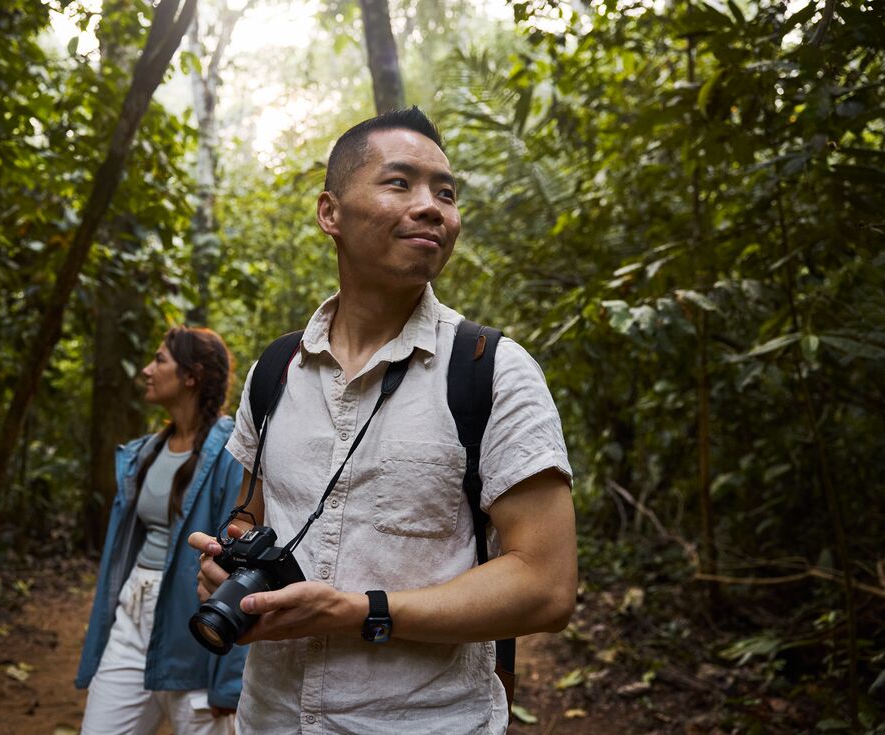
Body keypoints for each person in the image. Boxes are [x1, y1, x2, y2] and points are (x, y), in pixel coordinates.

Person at [188, 107, 578, 734]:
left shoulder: (492, 370)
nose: (432, 207)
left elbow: (547, 585)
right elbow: (255, 512)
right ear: (330, 214)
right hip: (270, 720)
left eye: (445, 193)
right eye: (400, 183)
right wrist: (229, 558)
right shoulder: (277, 368)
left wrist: (357, 611)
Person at [77, 326, 246, 735]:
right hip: (133, 615)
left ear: (192, 376)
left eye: (160, 360)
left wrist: (228, 680)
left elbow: (238, 565)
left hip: (194, 629)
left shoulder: (231, 452)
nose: (146, 370)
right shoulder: (143, 452)